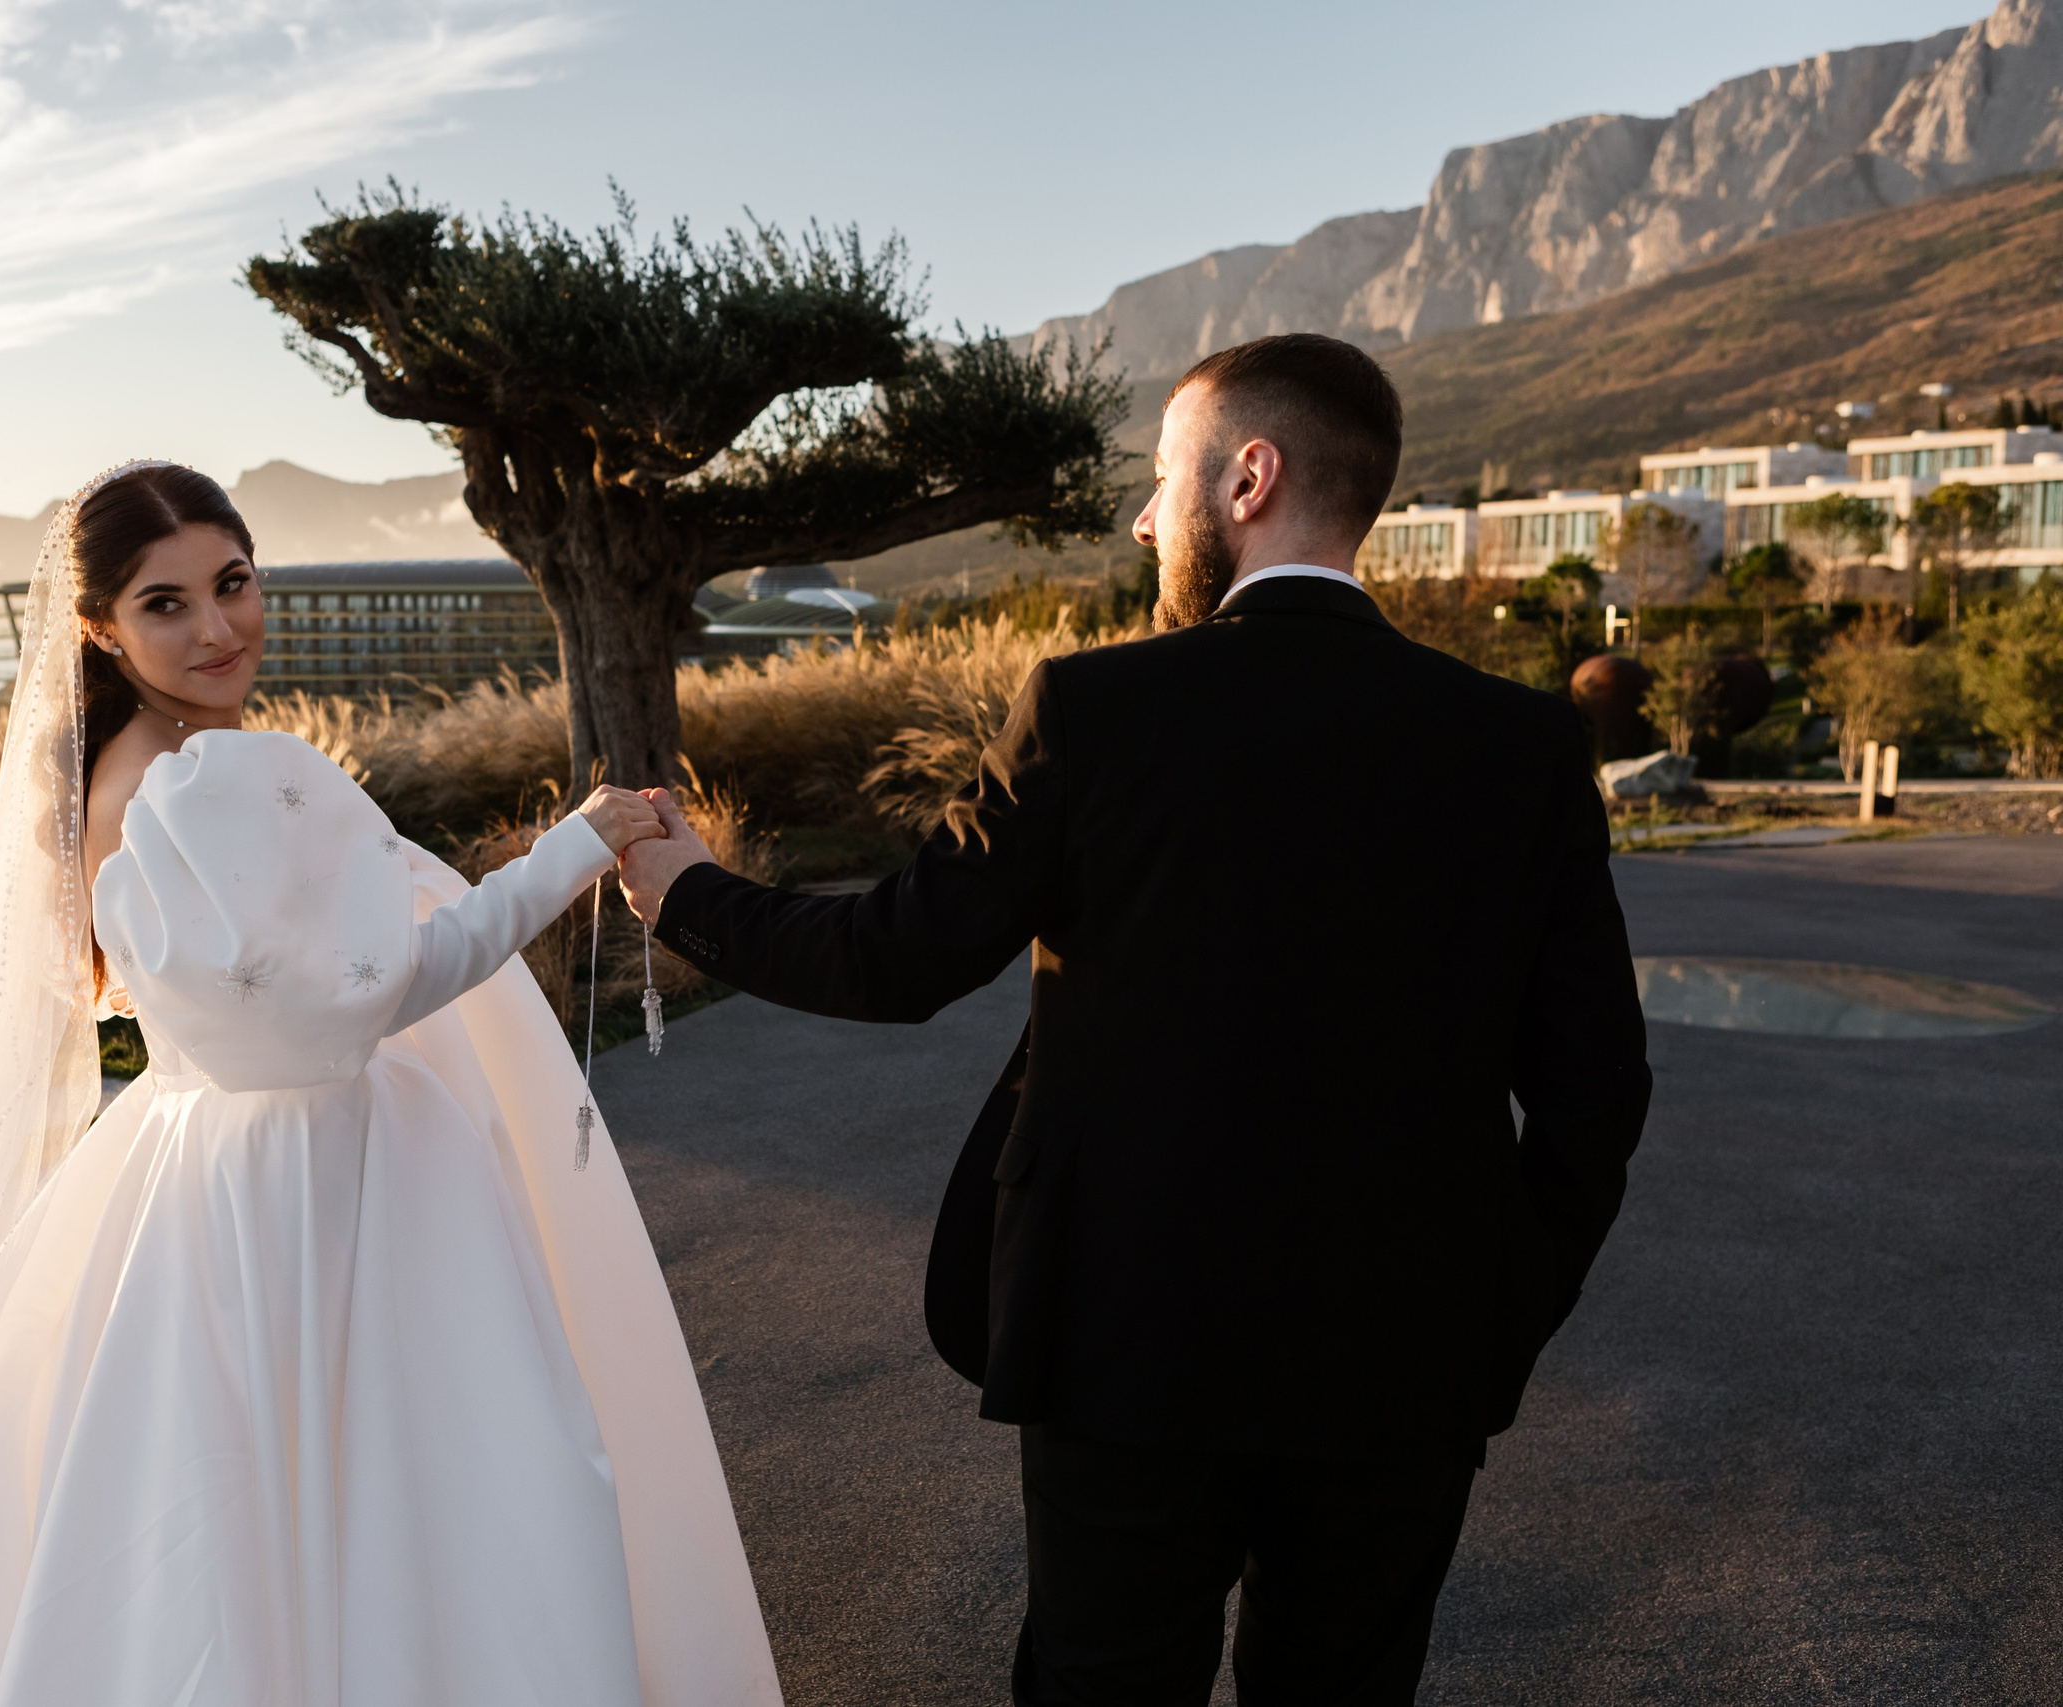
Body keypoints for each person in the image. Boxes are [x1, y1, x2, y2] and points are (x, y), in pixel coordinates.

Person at [0, 461, 782, 1707]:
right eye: (164, 604)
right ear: (98, 629)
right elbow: (353, 1010)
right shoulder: (207, 779)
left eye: (232, 582)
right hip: (321, 1184)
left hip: (192, 1167)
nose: (219, 627)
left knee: (223, 1515)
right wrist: (576, 845)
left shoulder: (112, 779)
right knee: (426, 1489)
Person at [618, 335, 1652, 1705]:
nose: (1146, 517)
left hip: (1125, 1340)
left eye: (1165, 480)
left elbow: (895, 957)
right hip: (1409, 1364)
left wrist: (684, 891)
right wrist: (1495, 1313)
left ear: (1250, 476)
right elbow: (1597, 1092)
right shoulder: (1520, 746)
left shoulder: (1095, 708)